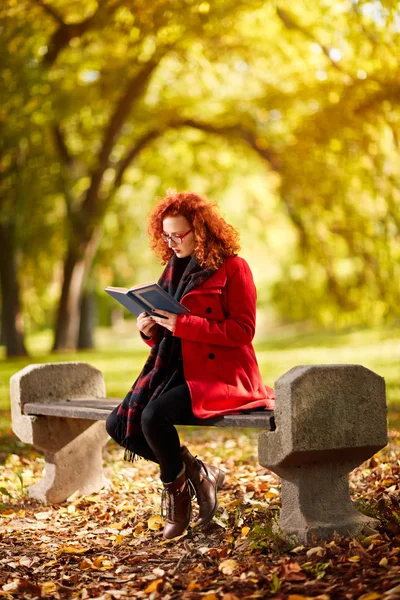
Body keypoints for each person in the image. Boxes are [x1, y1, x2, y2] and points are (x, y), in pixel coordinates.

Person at [106, 190, 274, 540]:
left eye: (178, 234)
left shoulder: (233, 268)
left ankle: (177, 501)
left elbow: (243, 331)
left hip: (223, 375)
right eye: (166, 235)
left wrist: (183, 325)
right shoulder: (171, 270)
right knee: (119, 425)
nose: (172, 242)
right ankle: (198, 472)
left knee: (153, 417)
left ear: (201, 230)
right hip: (177, 368)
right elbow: (169, 335)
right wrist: (149, 330)